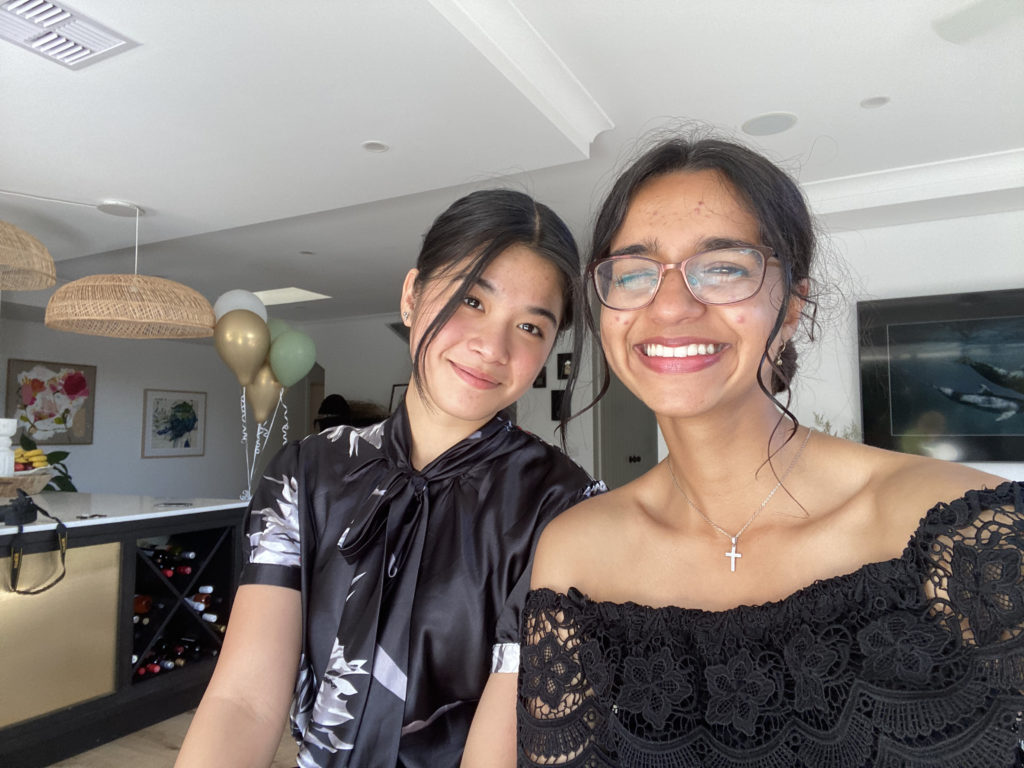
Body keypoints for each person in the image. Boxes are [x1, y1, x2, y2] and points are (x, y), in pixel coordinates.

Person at [515, 136, 1024, 766]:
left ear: (791, 309)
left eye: (723, 267)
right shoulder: (576, 550)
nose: (669, 306)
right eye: (635, 272)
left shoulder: (964, 530)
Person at [175, 189, 604, 768]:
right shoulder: (304, 475)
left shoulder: (565, 509)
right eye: (471, 300)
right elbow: (243, 701)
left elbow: (507, 744)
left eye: (530, 327)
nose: (491, 346)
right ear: (411, 296)